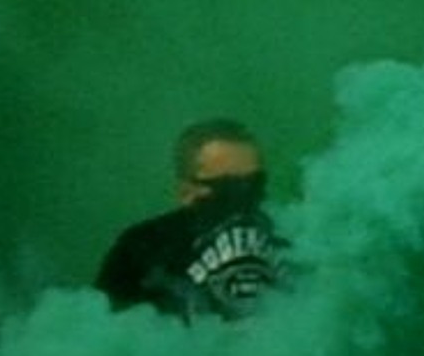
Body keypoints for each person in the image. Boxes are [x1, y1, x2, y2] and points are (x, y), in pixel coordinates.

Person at [98, 117, 287, 320]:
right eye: (227, 186)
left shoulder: (289, 236)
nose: (244, 195)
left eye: (255, 182)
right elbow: (108, 328)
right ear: (186, 191)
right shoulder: (141, 250)